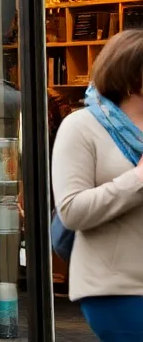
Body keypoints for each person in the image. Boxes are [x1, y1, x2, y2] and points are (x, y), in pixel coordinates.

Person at [52, 30, 143, 340]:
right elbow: (72, 211)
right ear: (133, 78)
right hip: (118, 289)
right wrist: (137, 180)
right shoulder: (81, 127)